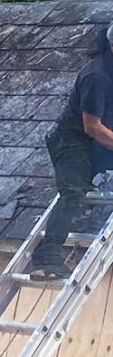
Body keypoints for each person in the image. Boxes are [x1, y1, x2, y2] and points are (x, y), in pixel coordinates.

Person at [30, 22, 113, 279]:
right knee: (73, 192)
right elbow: (92, 127)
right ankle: (47, 258)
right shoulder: (96, 76)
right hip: (71, 140)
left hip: (92, 143)